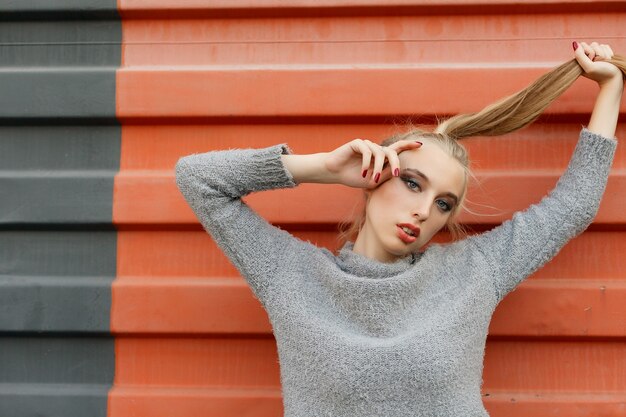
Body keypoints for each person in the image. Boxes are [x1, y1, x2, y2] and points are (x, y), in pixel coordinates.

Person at [175, 41, 624, 417]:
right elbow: (198, 179)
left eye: (443, 203)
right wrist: (324, 168)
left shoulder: (472, 272)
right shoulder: (290, 275)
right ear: (375, 177)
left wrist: (610, 87)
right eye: (412, 183)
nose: (425, 211)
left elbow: (573, 207)